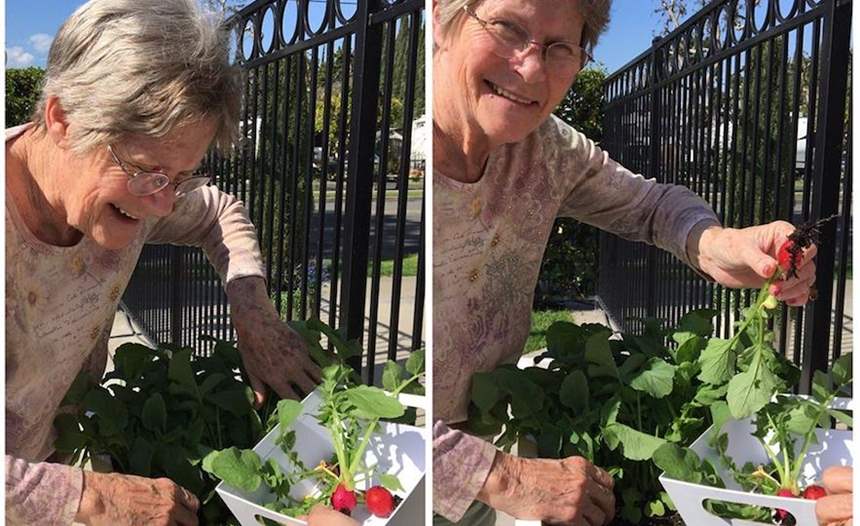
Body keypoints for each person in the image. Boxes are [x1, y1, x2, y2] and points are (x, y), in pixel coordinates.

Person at [431, 0, 818, 524]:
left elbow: (649, 204)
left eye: (560, 47)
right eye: (505, 27)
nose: (530, 68)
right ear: (439, 17)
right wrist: (503, 476)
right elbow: (370, 398)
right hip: (390, 470)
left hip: (476, 450)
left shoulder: (545, 148)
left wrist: (716, 244)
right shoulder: (404, 157)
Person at [5, 0, 324, 524]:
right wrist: (92, 497)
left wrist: (253, 311)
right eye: (149, 170)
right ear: (62, 119)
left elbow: (218, 212)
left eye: (179, 178)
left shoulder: (140, 196)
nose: (162, 205)